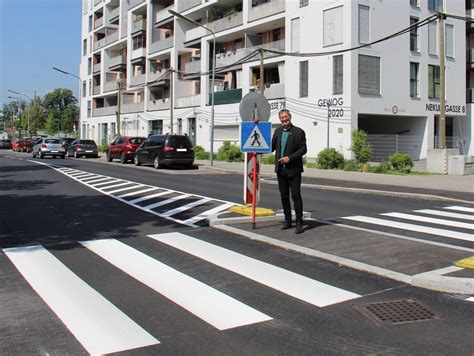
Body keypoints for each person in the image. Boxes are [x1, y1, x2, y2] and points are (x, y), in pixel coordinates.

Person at [271, 109, 307, 234]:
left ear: (290, 117)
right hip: (281, 170)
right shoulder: (277, 131)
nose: (284, 119)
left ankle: (299, 222)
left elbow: (303, 149)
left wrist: (289, 158)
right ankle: (287, 221)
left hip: (294, 170)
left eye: (286, 117)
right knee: (284, 196)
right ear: (280, 119)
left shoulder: (298, 132)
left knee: (296, 196)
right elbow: (271, 147)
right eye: (282, 117)